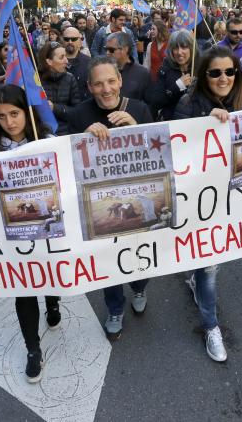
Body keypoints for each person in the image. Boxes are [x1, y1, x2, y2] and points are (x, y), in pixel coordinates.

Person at [0, 85, 62, 382]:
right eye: (2, 117)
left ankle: (53, 301)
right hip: (13, 236)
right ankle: (32, 349)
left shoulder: (47, 141)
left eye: (14, 114)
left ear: (26, 112)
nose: (9, 122)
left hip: (49, 230)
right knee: (23, 290)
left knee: (50, 276)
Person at [173, 45, 242, 362]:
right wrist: (205, 124)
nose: (223, 78)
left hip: (231, 198)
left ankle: (193, 277)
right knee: (209, 265)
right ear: (204, 76)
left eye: (229, 72)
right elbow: (178, 151)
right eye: (215, 72)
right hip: (198, 201)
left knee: (207, 264)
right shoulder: (188, 103)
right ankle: (211, 326)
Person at [67, 58, 153, 340]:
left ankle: (139, 287)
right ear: (90, 87)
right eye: (99, 83)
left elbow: (158, 157)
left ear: (120, 81)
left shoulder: (139, 108)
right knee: (108, 260)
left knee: (140, 254)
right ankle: (114, 307)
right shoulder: (79, 114)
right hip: (99, 203)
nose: (106, 89)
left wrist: (135, 127)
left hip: (136, 198)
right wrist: (83, 137)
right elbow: (65, 159)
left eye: (111, 81)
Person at [149, 30, 196, 120]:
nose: (179, 52)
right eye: (175, 48)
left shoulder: (199, 68)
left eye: (184, 47)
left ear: (191, 48)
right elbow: (156, 101)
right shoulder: (165, 69)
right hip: (172, 123)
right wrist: (178, 86)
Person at [36, 41, 81, 135]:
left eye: (65, 56)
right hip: (42, 134)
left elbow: (77, 112)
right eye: (61, 57)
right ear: (49, 61)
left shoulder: (70, 78)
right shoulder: (36, 81)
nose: (66, 60)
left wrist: (55, 108)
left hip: (66, 133)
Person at [105, 32, 150, 101]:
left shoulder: (142, 73)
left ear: (125, 49)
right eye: (106, 49)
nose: (107, 53)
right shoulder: (103, 71)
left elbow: (150, 103)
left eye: (111, 50)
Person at [61, 27, 91, 101]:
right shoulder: (55, 62)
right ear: (62, 41)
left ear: (80, 42)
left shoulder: (89, 62)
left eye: (74, 39)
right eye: (66, 39)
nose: (70, 42)